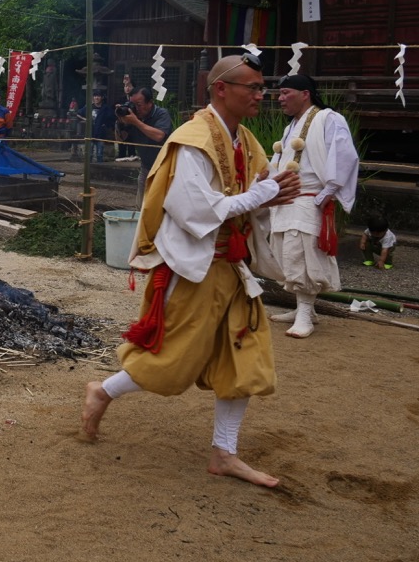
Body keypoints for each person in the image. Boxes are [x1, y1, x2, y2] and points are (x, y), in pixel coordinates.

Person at [80, 54, 301, 488]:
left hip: (232, 266)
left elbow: (251, 195)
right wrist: (267, 193)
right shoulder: (193, 140)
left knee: (245, 359)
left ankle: (224, 452)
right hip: (195, 267)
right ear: (222, 88)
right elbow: (198, 211)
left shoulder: (245, 140)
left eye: (262, 87)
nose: (261, 95)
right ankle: (103, 390)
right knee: (172, 360)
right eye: (252, 87)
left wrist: (271, 193)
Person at [267, 73, 360, 338]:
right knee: (286, 251)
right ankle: (302, 309)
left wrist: (329, 191)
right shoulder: (289, 127)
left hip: (310, 196)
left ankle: (306, 312)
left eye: (286, 93)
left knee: (303, 252)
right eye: (280, 94)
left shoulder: (328, 118)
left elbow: (344, 155)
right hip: (287, 196)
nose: (280, 99)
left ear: (304, 93)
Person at [116, 86, 173, 206]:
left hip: (164, 168)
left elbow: (159, 136)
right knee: (141, 206)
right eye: (132, 104)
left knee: (160, 206)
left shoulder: (161, 114)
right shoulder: (134, 118)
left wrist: (136, 122)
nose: (135, 108)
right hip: (146, 167)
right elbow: (121, 139)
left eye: (138, 104)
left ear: (150, 103)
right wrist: (120, 123)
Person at [77, 90, 117, 162]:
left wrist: (106, 125)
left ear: (102, 97)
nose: (96, 98)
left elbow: (113, 117)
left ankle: (99, 170)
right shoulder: (89, 107)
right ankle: (88, 170)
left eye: (98, 96)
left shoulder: (105, 108)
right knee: (89, 154)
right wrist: (85, 119)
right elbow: (78, 113)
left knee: (99, 154)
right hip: (90, 133)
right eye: (95, 96)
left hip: (100, 134)